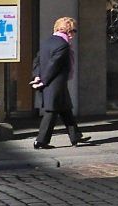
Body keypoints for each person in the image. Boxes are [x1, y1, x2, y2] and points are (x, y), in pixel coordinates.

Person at [30, 16, 90, 149]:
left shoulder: (47, 42)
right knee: (51, 111)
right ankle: (40, 141)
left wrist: (37, 76)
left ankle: (75, 136)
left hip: (54, 82)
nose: (73, 35)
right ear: (67, 30)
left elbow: (37, 60)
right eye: (73, 31)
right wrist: (43, 81)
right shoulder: (63, 45)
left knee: (65, 109)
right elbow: (54, 65)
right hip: (54, 83)